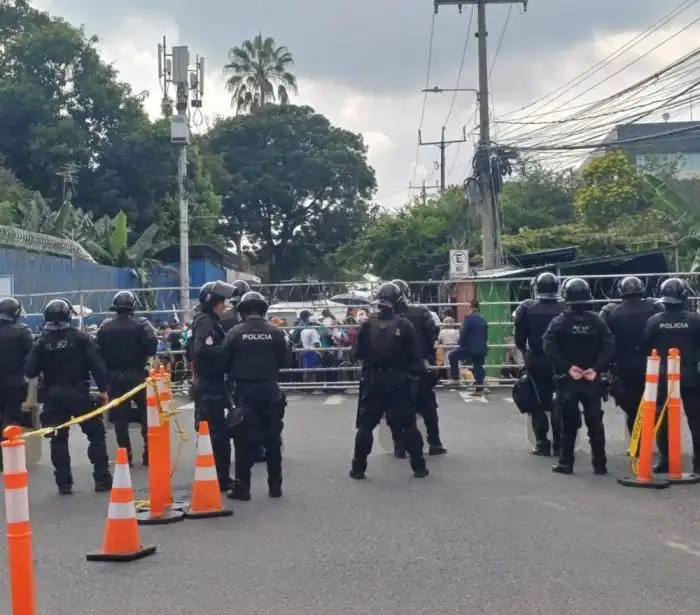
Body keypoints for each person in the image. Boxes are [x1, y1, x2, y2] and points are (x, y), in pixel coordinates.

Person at [25, 298, 112, 494]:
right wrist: (103, 390)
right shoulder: (81, 338)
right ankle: (102, 478)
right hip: (78, 393)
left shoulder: (42, 343)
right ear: (68, 316)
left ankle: (63, 484)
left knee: (58, 440)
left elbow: (30, 371)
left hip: (53, 396)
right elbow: (96, 365)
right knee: (96, 434)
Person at [350, 282, 429, 479]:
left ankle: (358, 468)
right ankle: (419, 466)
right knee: (408, 424)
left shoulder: (367, 325)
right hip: (399, 380)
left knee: (366, 425)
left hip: (374, 380)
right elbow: (416, 355)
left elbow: (356, 354)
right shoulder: (404, 325)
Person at [221, 291, 290, 500]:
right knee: (272, 438)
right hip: (270, 389)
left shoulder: (234, 333)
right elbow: (286, 362)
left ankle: (243, 487)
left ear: (242, 311)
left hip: (245, 391)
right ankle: (275, 485)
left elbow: (222, 362)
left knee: (243, 440)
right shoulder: (276, 333)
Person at [543, 278, 614, 475]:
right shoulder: (596, 321)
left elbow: (548, 346)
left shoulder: (559, 322)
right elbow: (609, 346)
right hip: (591, 379)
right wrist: (596, 368)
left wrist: (567, 368)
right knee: (595, 421)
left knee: (569, 423)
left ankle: (566, 463)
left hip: (569, 380)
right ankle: (600, 464)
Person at [96, 290, 158, 466]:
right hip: (137, 375)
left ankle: (125, 454)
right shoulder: (141, 325)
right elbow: (152, 346)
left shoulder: (105, 327)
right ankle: (148, 452)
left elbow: (97, 350)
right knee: (146, 412)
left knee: (119, 417)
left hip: (114, 376)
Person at [644, 277, 700, 473]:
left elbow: (646, 348)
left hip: (663, 375)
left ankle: (666, 461)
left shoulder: (654, 321)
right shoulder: (694, 320)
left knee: (663, 420)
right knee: (696, 420)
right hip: (689, 374)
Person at [601, 276, 661, 436]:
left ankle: (637, 441)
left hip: (624, 365)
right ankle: (652, 439)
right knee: (655, 404)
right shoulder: (654, 308)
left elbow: (604, 339)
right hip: (651, 363)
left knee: (632, 407)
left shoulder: (611, 312)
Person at [392, 278, 446, 455]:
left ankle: (399, 446)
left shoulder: (384, 317)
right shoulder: (421, 311)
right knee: (428, 405)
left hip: (395, 369)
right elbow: (433, 335)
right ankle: (435, 443)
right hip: (419, 365)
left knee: (396, 408)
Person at [513, 272, 565, 456]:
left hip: (536, 359)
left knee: (536, 402)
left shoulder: (528, 309)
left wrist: (527, 353)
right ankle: (560, 443)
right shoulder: (564, 309)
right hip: (561, 361)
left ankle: (542, 442)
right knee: (561, 400)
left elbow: (519, 338)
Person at [191, 280, 236, 492]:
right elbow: (204, 350)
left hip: (212, 383)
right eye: (221, 302)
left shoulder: (209, 321)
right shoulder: (206, 322)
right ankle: (220, 477)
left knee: (212, 431)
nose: (223, 306)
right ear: (212, 302)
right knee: (217, 433)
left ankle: (215, 474)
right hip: (211, 385)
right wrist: (228, 352)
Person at [0, 297, 33, 469]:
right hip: (14, 383)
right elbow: (30, 359)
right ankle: (9, 459)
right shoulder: (23, 331)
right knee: (10, 420)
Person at [449, 299, 488, 395]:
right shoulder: (483, 319)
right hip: (481, 347)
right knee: (478, 366)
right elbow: (485, 334)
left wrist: (461, 344)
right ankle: (479, 387)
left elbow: (463, 333)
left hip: (469, 347)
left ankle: (455, 379)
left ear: (471, 307)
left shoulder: (469, 319)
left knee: (452, 356)